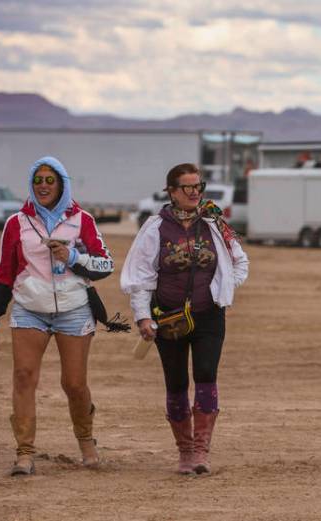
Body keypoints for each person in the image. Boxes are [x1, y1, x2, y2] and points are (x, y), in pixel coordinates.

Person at [0, 156, 115, 476]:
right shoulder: (17, 222)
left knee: (74, 384)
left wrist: (72, 256)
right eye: (38, 180)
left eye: (49, 180)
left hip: (74, 310)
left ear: (62, 184)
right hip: (29, 309)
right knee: (24, 376)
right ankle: (25, 453)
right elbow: (4, 272)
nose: (43, 185)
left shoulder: (82, 220)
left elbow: (105, 265)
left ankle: (86, 441)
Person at [121, 163, 249, 475]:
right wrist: (142, 317)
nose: (195, 193)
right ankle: (185, 451)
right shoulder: (155, 228)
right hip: (168, 318)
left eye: (198, 186)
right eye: (187, 187)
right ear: (172, 192)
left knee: (206, 374)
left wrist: (225, 287)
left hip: (209, 316)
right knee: (176, 381)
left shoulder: (215, 224)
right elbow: (141, 277)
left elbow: (239, 260)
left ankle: (202, 449)